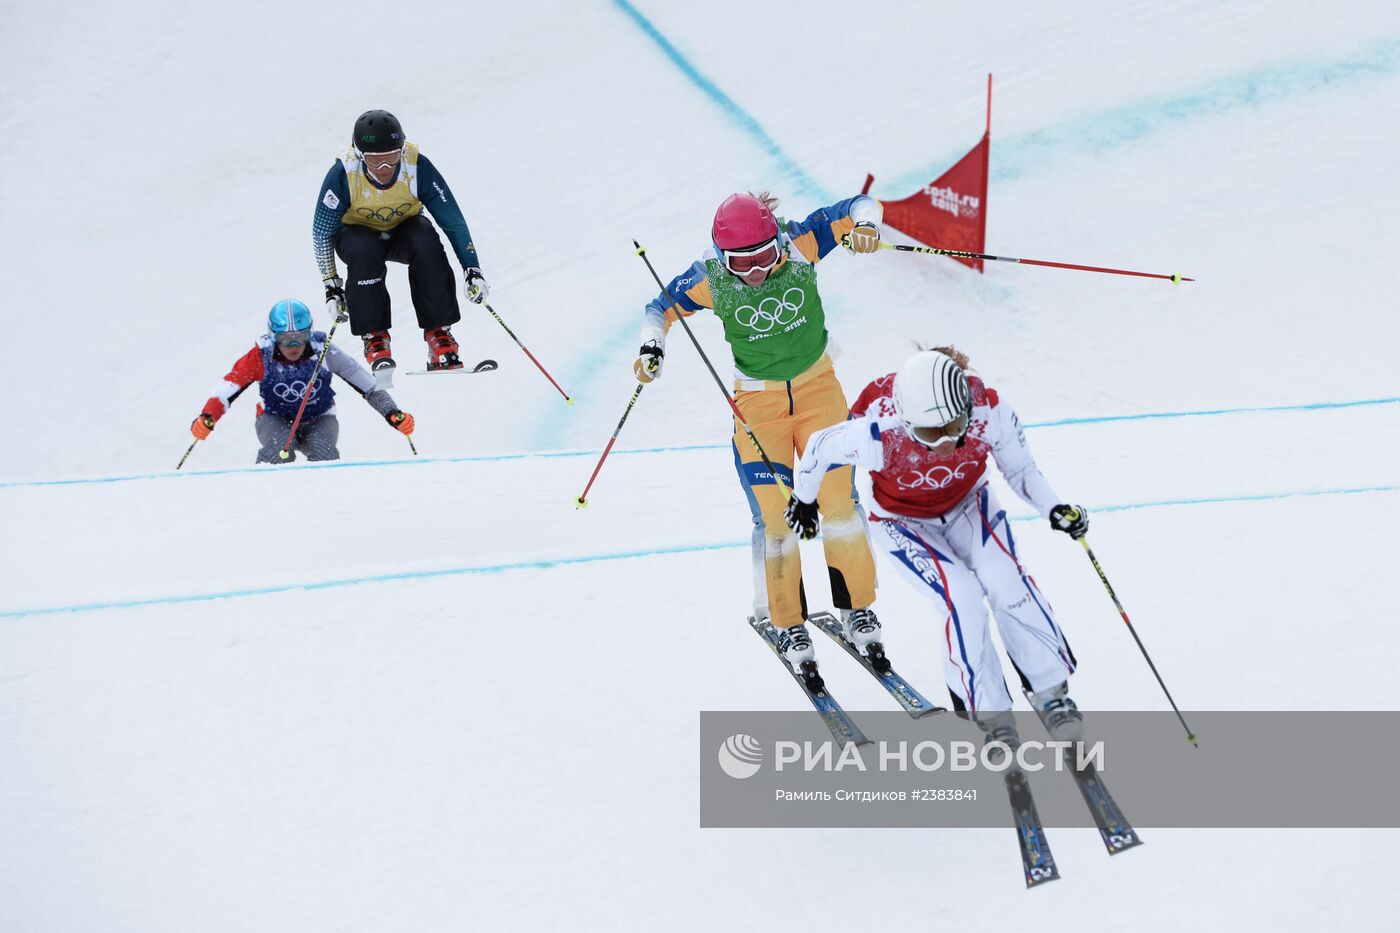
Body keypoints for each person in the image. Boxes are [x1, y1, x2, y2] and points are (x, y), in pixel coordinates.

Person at [784, 347, 1089, 747]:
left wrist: (1054, 507)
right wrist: (803, 499)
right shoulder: (879, 430)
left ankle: (1052, 694)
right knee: (961, 598)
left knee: (1007, 581)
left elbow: (1021, 468)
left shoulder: (988, 411)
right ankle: (992, 714)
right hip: (903, 522)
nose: (945, 441)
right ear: (907, 421)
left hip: (969, 505)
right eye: (930, 433)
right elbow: (820, 447)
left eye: (953, 425)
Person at [634, 191, 885, 677]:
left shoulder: (799, 244)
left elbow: (860, 205)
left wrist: (866, 228)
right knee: (778, 518)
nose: (753, 272)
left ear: (777, 242)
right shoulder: (710, 278)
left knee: (837, 505)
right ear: (720, 257)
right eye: (739, 264)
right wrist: (652, 348)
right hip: (758, 404)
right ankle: (787, 620)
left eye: (765, 257)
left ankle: (856, 606)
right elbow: (657, 309)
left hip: (818, 390)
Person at [312, 109, 489, 383]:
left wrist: (472, 268)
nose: (384, 169)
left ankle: (438, 334)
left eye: (392, 157)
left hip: (403, 233)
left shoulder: (416, 166)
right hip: (357, 235)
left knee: (425, 236)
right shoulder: (343, 173)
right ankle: (375, 337)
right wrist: (331, 285)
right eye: (374, 161)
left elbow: (452, 221)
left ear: (402, 150)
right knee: (363, 248)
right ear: (359, 155)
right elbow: (322, 232)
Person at [190, 299, 415, 463]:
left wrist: (392, 413)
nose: (293, 346)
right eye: (284, 339)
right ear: (272, 336)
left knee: (325, 454)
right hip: (273, 417)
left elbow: (368, 385)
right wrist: (207, 417)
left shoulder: (323, 350)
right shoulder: (260, 356)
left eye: (300, 338)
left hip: (320, 417)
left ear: (309, 333)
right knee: (277, 451)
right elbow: (226, 390)